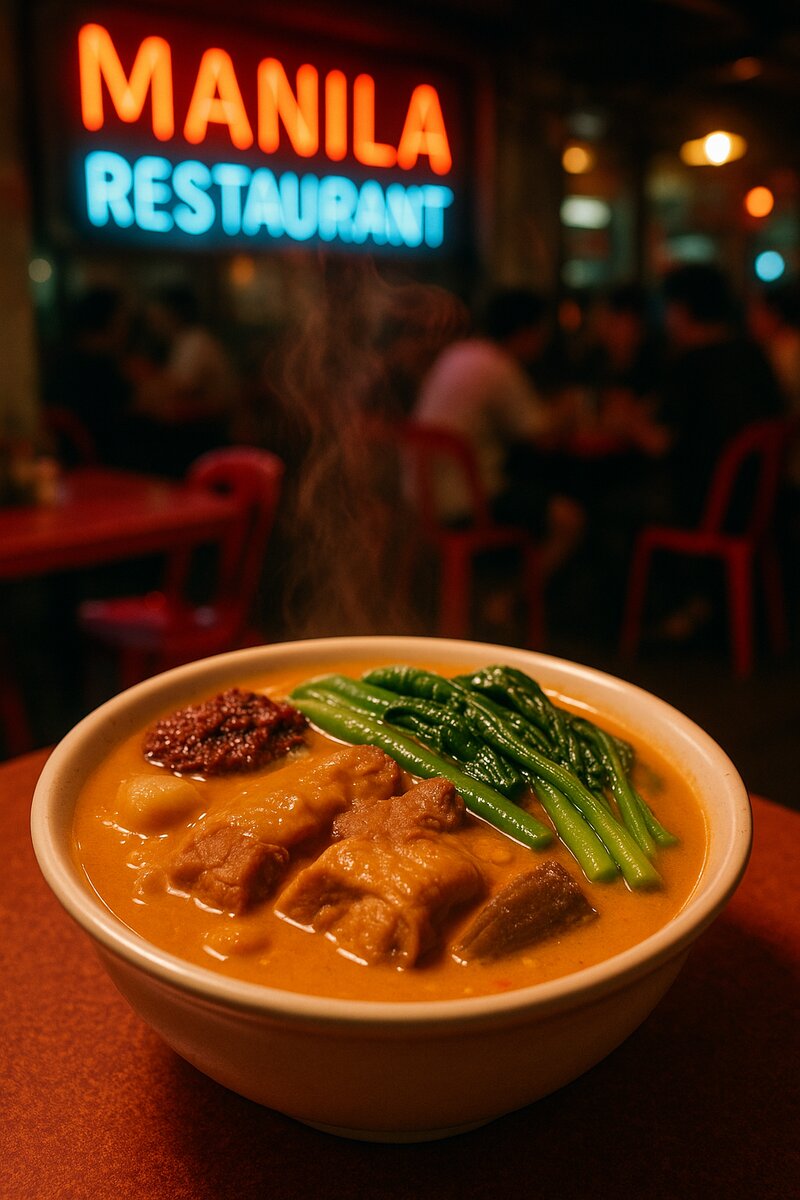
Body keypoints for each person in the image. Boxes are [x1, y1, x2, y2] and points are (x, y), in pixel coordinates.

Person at [412, 287, 584, 579]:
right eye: (540, 331)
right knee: (570, 520)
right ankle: (511, 602)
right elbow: (539, 435)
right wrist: (569, 410)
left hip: (420, 498)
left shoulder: (457, 353)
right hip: (466, 503)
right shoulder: (498, 365)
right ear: (526, 331)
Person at [133, 285, 239, 475]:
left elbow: (181, 388)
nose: (152, 321)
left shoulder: (195, 341)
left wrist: (143, 380)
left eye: (157, 313)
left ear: (173, 313)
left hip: (211, 434)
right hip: (200, 428)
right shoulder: (184, 341)